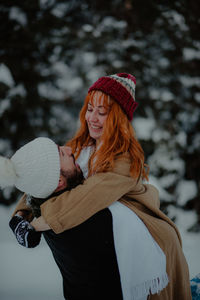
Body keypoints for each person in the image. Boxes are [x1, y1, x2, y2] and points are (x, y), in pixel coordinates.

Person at [4, 73, 193, 299]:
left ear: (118, 119)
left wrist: (37, 224)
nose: (92, 118)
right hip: (105, 242)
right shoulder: (79, 147)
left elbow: (86, 197)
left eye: (102, 112)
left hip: (147, 240)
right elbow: (43, 175)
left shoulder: (124, 160)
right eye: (90, 109)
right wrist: (20, 216)